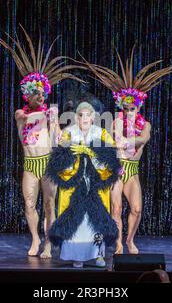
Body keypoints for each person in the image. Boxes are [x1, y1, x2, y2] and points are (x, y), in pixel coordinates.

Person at [0, 25, 84, 258]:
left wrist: (59, 129)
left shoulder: (50, 114)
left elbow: (56, 135)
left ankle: (49, 244)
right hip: (30, 165)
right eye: (37, 94)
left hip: (48, 163)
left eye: (43, 93)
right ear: (27, 95)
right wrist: (50, 113)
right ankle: (35, 239)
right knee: (30, 205)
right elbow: (25, 117)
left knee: (50, 205)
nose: (41, 97)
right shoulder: (21, 115)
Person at [81, 47, 172, 254]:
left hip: (133, 169)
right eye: (125, 108)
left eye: (132, 109)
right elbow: (113, 140)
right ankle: (118, 243)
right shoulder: (116, 120)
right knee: (116, 208)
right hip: (117, 168)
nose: (128, 112)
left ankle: (129, 240)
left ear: (138, 107)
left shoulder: (145, 124)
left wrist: (128, 140)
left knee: (136, 208)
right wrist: (125, 141)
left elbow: (144, 137)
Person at [46, 102, 121, 268]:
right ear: (76, 117)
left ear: (93, 117)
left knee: (95, 221)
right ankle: (76, 256)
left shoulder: (101, 134)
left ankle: (98, 255)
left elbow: (110, 158)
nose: (84, 118)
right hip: (75, 185)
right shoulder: (68, 133)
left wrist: (92, 152)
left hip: (94, 185)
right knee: (77, 223)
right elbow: (59, 160)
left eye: (88, 115)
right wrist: (73, 154)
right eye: (81, 115)